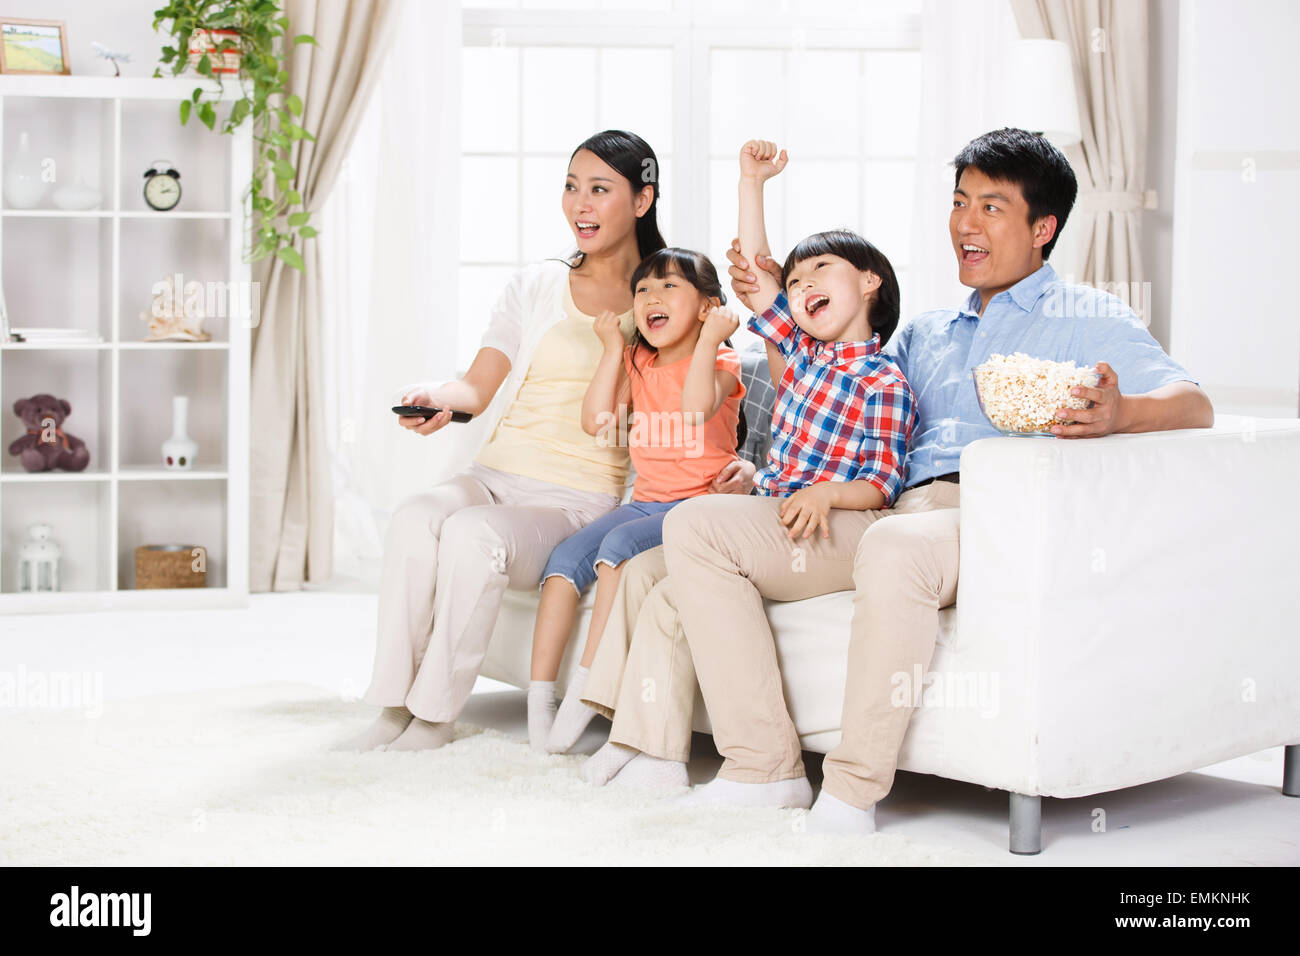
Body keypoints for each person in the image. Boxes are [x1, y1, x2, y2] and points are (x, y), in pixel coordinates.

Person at [662, 127, 1214, 832]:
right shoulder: (926, 331)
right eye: (959, 202)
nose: (965, 222)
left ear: (1042, 228)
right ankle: (762, 767)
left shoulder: (1087, 316)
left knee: (896, 550)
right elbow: (835, 384)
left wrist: (1120, 412)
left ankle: (853, 791)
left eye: (990, 206)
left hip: (985, 517)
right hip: (886, 509)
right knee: (697, 528)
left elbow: (1194, 403)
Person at [334, 130, 752, 753]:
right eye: (571, 187)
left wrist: (742, 467)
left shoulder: (665, 298)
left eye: (600, 190)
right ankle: (392, 706)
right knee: (416, 517)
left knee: (475, 537)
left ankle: (433, 716)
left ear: (642, 200)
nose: (580, 204)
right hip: (496, 472)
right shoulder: (535, 284)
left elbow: (701, 404)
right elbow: (477, 386)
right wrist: (438, 399)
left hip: (577, 497)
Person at [577, 138, 917, 790]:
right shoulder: (806, 354)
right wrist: (750, 183)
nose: (802, 284)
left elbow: (879, 485)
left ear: (870, 281)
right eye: (796, 281)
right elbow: (758, 279)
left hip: (840, 527)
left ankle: (765, 768)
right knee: (656, 578)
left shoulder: (882, 378)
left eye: (821, 268)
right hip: (781, 514)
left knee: (693, 525)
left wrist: (827, 496)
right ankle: (651, 749)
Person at [527, 247, 746, 753]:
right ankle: (540, 701)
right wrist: (611, 351)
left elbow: (695, 411)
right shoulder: (637, 360)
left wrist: (712, 339)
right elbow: (597, 423)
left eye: (670, 286)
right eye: (643, 289)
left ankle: (586, 694)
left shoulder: (723, 359)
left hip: (697, 508)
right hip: (645, 500)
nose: (651, 296)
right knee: (562, 562)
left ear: (708, 306)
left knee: (618, 547)